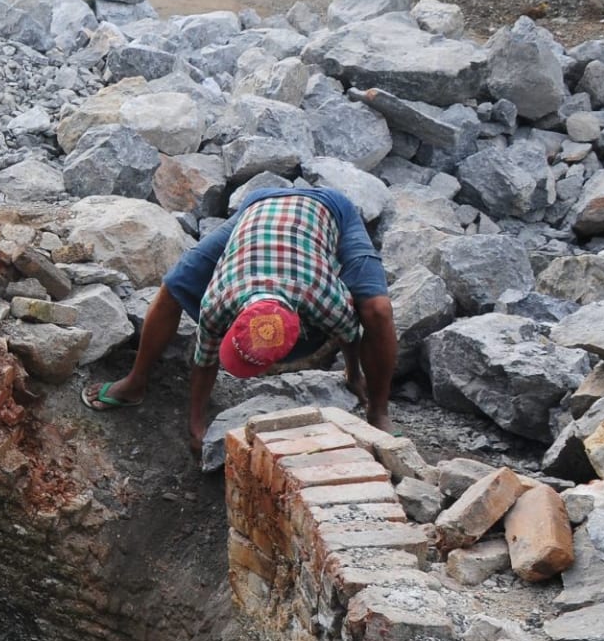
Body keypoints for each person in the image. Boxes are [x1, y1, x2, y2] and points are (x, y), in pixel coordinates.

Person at [81, 187, 397, 454]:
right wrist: (197, 424)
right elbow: (204, 359)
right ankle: (135, 382)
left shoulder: (324, 300)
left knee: (378, 309)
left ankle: (378, 411)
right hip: (258, 206)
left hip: (330, 210)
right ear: (234, 321)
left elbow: (351, 334)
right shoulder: (218, 301)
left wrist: (353, 374)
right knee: (174, 284)